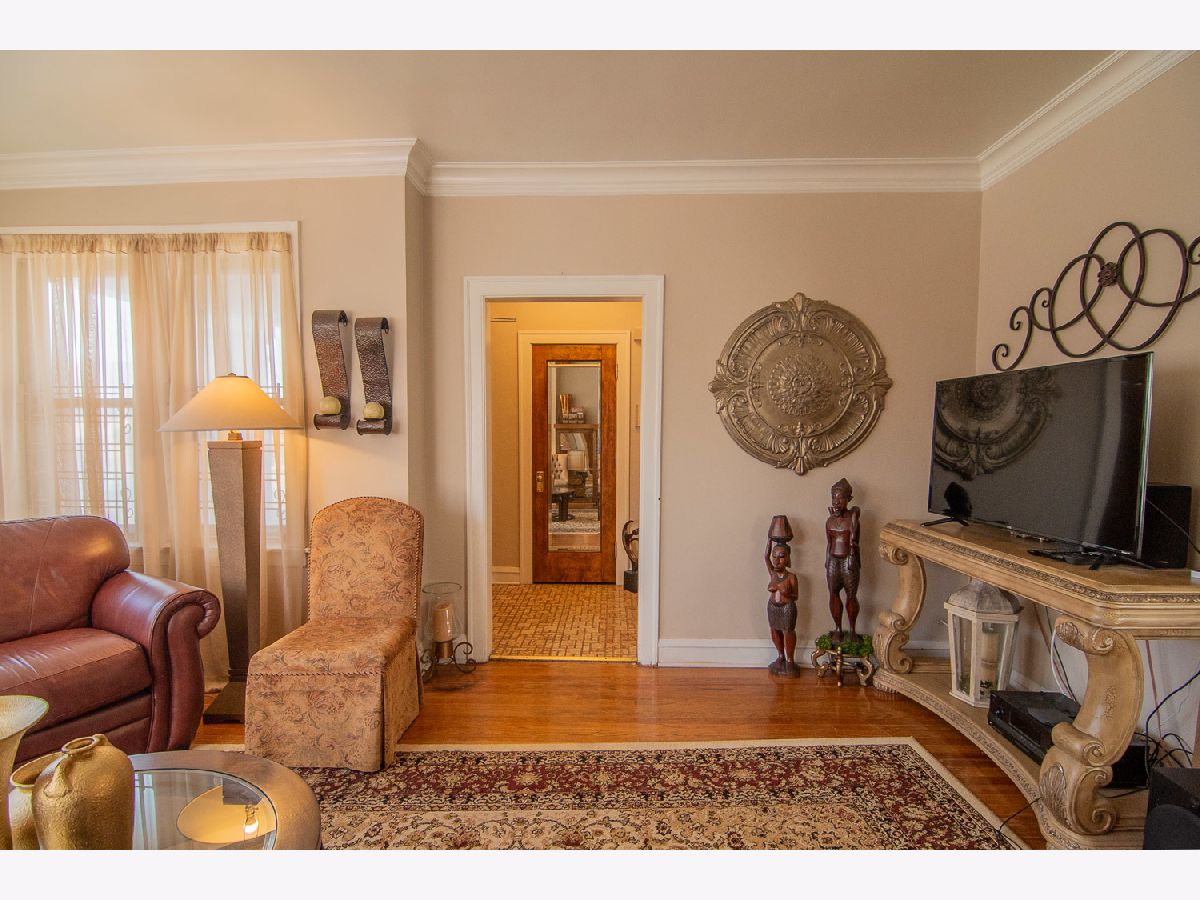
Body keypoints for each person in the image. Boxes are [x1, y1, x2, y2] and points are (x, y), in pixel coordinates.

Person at [825, 478, 861, 639]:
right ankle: (838, 628)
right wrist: (827, 561)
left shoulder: (853, 519)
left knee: (851, 595)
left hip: (848, 560)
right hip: (833, 560)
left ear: (848, 499)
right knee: (833, 593)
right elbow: (829, 543)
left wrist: (854, 516)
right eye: (834, 497)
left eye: (840, 498)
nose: (836, 501)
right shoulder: (830, 521)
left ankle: (852, 630)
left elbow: (855, 541)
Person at [765, 536, 799, 676]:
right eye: (774, 556)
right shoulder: (772, 573)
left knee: (788, 632)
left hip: (787, 607)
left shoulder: (791, 577)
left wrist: (786, 593)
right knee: (775, 631)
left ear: (787, 558)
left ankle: (790, 659)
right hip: (773, 607)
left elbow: (796, 596)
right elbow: (765, 557)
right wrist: (769, 540)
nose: (777, 560)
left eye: (781, 556)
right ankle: (780, 655)